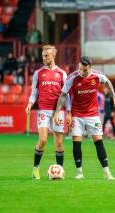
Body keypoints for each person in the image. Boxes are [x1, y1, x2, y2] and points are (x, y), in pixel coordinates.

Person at [53, 56, 115, 180]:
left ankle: (107, 173)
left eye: (85, 70)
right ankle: (79, 173)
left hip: (93, 115)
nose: (82, 72)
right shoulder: (72, 78)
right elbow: (62, 95)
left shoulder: (97, 76)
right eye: (80, 69)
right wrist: (57, 112)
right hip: (77, 115)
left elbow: (108, 82)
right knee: (76, 143)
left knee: (99, 142)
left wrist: (114, 96)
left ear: (90, 68)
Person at [25, 45, 70, 180]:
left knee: (59, 143)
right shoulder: (38, 73)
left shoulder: (62, 73)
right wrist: (30, 103)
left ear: (53, 56)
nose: (44, 58)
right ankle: (35, 169)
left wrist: (69, 111)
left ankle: (59, 171)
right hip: (43, 110)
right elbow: (34, 92)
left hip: (58, 112)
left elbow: (66, 95)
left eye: (47, 55)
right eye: (43, 55)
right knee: (43, 140)